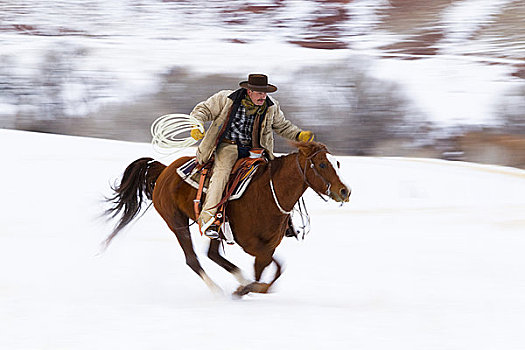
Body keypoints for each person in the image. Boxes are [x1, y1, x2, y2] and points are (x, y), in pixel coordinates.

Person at [190, 73, 314, 238]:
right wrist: (197, 125)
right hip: (229, 146)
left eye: (265, 93)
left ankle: (284, 221)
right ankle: (208, 219)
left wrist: (299, 136)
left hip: (256, 149)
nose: (263, 96)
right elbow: (202, 110)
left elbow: (282, 126)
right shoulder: (226, 98)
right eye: (259, 92)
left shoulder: (271, 106)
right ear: (249, 91)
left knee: (276, 176)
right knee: (221, 174)